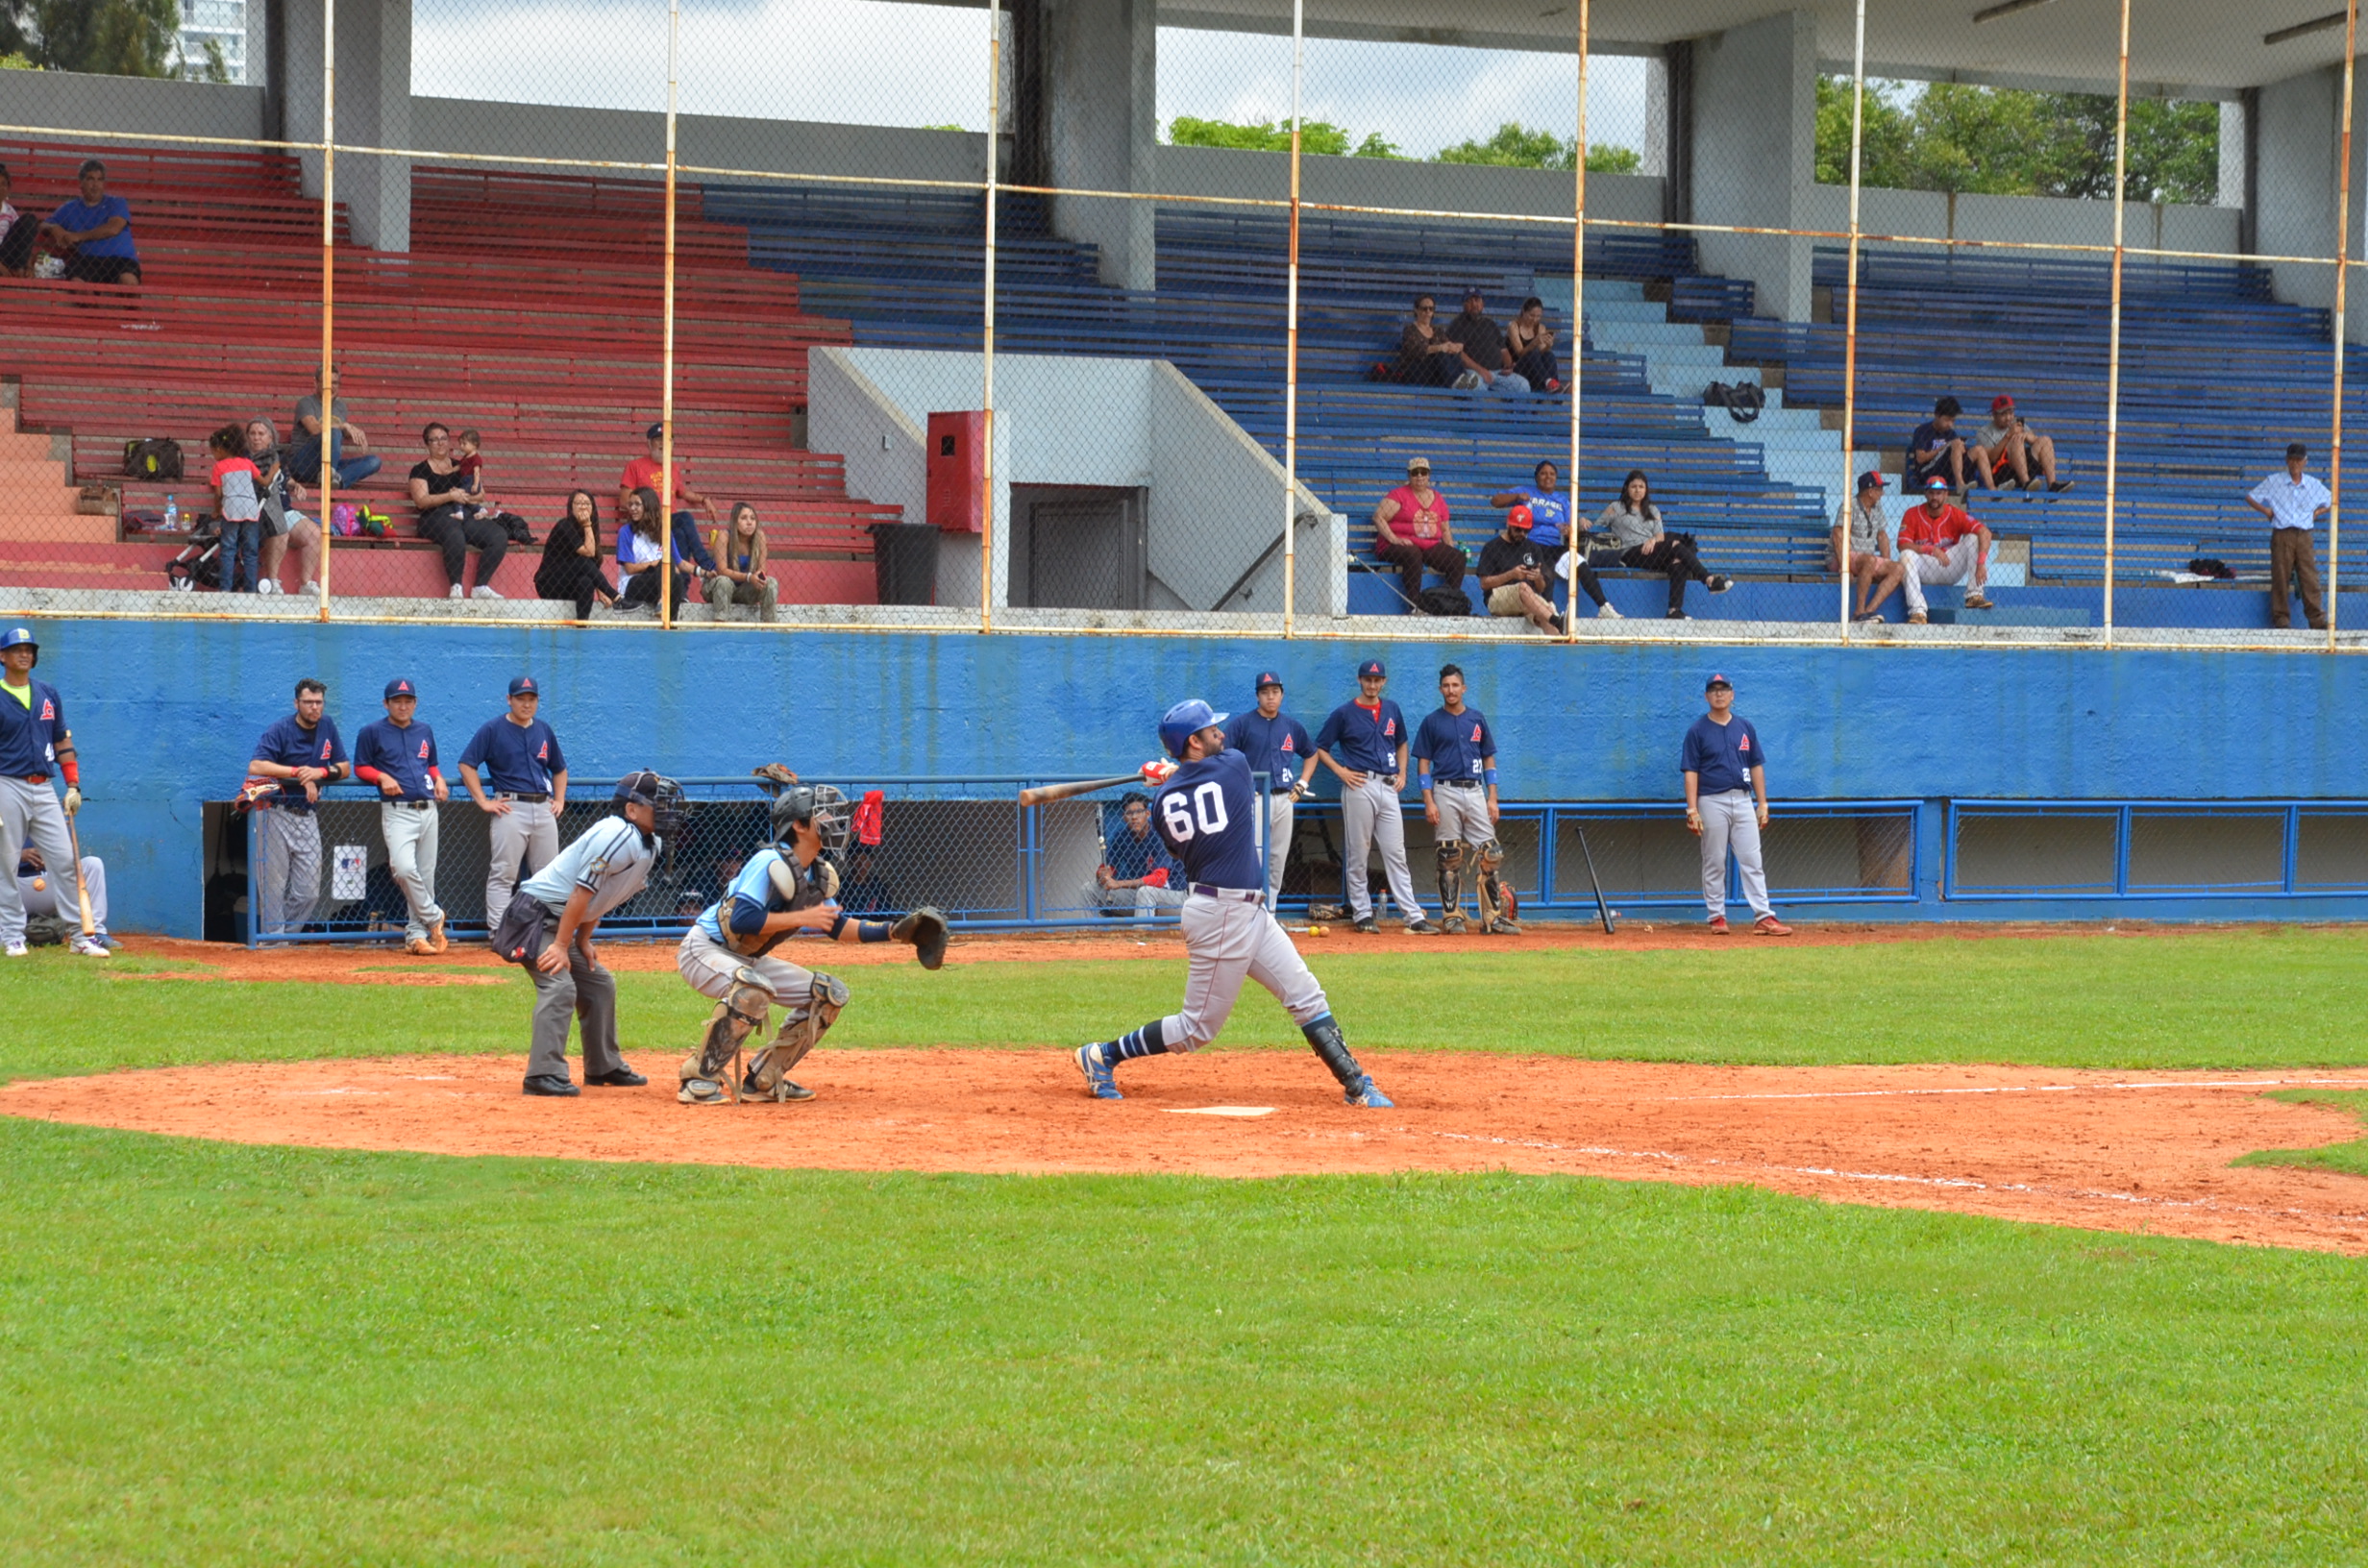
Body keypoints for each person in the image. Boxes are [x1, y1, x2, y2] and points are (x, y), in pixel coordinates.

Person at [1073, 699, 1394, 1108]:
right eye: (1211, 730)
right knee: (1196, 1030)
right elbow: (1210, 777)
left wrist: (1173, 777)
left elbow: (1178, 839)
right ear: (1193, 741)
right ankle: (1102, 1055)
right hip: (1222, 914)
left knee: (1306, 993)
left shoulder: (1162, 805)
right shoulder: (1235, 766)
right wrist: (1176, 773)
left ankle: (1356, 1084)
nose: (1220, 734)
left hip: (1245, 910)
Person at [674, 783, 948, 1106]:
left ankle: (764, 1076)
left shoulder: (817, 872)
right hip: (705, 949)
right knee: (753, 989)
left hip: (746, 959)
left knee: (828, 994)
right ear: (800, 826)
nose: (834, 820)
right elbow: (742, 921)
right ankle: (699, 1077)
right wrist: (804, 916)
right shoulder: (768, 861)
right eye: (823, 814)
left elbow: (836, 925)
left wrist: (894, 932)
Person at [496, 771, 680, 1098]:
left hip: (559, 921)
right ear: (632, 809)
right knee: (559, 984)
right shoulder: (617, 835)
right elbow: (581, 892)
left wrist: (582, 941)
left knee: (599, 984)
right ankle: (542, 1074)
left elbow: (603, 895)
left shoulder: (649, 844)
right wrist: (562, 945)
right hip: (533, 917)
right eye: (659, 804)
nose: (667, 811)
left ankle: (603, 1066)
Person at [0, 626, 105, 959]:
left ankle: (80, 936)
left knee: (64, 860)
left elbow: (61, 740)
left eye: (29, 649)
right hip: (6, 784)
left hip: (43, 787)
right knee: (5, 863)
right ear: (2, 656)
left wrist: (73, 784)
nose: (25, 654)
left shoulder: (47, 693)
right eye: (17, 649)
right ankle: (12, 935)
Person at [1314, 658, 1438, 936]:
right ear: (1360, 680)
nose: (1372, 684)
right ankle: (1362, 914)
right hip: (1359, 784)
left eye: (1377, 680)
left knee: (1396, 853)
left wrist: (1403, 772)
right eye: (1367, 679)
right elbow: (1320, 747)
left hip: (1388, 785)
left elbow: (1402, 742)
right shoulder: (1345, 713)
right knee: (1359, 852)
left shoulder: (1391, 709)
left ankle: (1413, 916)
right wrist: (1341, 772)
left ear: (1384, 682)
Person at [1683, 674, 1790, 937]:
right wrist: (1692, 808)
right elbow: (1690, 770)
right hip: (1711, 800)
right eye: (1713, 690)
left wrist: (1762, 803)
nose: (1718, 694)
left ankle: (1763, 916)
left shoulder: (1745, 727)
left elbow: (1756, 765)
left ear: (1732, 694)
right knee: (1715, 860)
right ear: (1706, 696)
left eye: (1723, 689)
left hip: (1743, 799)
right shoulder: (1697, 730)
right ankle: (1717, 917)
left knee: (1752, 859)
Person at [457, 675, 567, 930]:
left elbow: (559, 769)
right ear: (509, 700)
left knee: (549, 875)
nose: (526, 704)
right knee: (504, 873)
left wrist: (560, 799)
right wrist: (483, 801)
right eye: (520, 698)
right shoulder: (493, 729)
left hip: (543, 806)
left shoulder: (543, 729)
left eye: (531, 699)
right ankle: (498, 932)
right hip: (510, 806)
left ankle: (546, 930)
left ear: (537, 701)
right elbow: (466, 764)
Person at [1415, 665, 1517, 936]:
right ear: (1440, 689)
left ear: (1464, 688)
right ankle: (1451, 916)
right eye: (1446, 686)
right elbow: (1423, 764)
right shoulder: (1432, 722)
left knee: (1492, 853)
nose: (1451, 690)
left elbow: (1488, 759)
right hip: (1445, 789)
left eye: (1455, 685)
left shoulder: (1477, 719)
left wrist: (1492, 796)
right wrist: (1429, 800)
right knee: (1448, 855)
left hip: (1474, 790)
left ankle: (1492, 917)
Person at [352, 677, 449, 957]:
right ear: (386, 704)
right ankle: (433, 916)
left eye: (408, 701)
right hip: (398, 812)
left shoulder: (424, 730)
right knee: (404, 869)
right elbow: (360, 767)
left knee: (426, 876)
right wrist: (381, 776)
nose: (403, 705)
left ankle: (416, 937)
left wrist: (439, 779)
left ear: (415, 703)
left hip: (428, 809)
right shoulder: (372, 731)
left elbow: (429, 764)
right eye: (397, 701)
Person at [247, 677, 349, 938]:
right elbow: (256, 766)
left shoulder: (327, 726)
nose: (315, 708)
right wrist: (298, 773)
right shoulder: (281, 728)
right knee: (273, 885)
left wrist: (318, 773)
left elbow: (345, 768)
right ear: (296, 703)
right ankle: (273, 943)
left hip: (307, 815)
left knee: (309, 891)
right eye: (308, 702)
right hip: (276, 812)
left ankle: (284, 938)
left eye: (319, 702)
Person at [1583, 470, 1733, 620]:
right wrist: (1581, 521)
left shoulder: (1653, 510)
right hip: (1629, 552)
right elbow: (1597, 527)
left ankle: (1673, 611)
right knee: (1676, 545)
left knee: (1678, 561)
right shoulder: (1616, 507)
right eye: (1633, 486)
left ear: (1646, 489)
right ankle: (1709, 580)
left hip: (1652, 550)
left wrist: (1652, 540)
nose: (1637, 490)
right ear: (1627, 488)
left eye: (1641, 487)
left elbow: (1660, 536)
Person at [1222, 671, 1316, 907]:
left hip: (1286, 798)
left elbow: (1311, 754)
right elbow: (1223, 756)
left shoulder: (1291, 726)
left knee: (1277, 859)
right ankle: (1250, 911)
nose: (1270, 697)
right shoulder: (1243, 724)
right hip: (1255, 799)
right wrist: (1241, 785)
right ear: (1257, 696)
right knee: (1254, 857)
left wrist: (1303, 783)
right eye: (1265, 693)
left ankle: (1269, 912)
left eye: (1275, 692)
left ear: (1282, 695)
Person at [407, 423, 506, 600]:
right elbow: (421, 501)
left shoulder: (463, 465)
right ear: (427, 444)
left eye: (443, 438)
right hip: (434, 516)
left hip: (463, 513)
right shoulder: (420, 469)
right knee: (454, 533)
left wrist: (465, 497)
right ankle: (456, 587)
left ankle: (480, 586)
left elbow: (480, 495)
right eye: (434, 440)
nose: (440, 443)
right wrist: (450, 496)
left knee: (498, 535)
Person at [2249, 442, 2331, 632]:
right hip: (2282, 533)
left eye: (2298, 460)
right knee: (2280, 577)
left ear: (2305, 461)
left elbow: (2332, 500)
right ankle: (2281, 619)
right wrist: (2267, 511)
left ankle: (2317, 620)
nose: (2295, 463)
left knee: (2309, 577)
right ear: (2287, 460)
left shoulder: (2312, 484)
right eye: (2292, 459)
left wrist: (2316, 513)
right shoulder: (2274, 481)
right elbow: (2251, 497)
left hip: (2304, 535)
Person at [1896, 476, 1998, 625]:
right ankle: (1918, 612)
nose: (1934, 497)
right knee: (1906, 555)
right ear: (1925, 494)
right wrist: (1929, 549)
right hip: (1925, 567)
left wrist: (1981, 563)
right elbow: (1902, 544)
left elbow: (1985, 532)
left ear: (1946, 495)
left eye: (1939, 493)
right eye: (1931, 493)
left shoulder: (1954, 513)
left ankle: (1974, 595)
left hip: (1950, 566)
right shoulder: (1912, 513)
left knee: (1973, 538)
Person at [618, 423, 723, 558]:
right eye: (658, 440)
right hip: (647, 520)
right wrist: (648, 511)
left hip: (669, 521)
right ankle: (704, 561)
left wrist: (704, 500)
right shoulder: (635, 466)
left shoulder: (673, 467)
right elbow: (624, 501)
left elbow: (682, 491)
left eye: (667, 440)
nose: (663, 444)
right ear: (649, 444)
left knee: (679, 534)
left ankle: (682, 578)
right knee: (685, 518)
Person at [1372, 456, 1466, 608]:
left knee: (1457, 559)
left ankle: (1449, 604)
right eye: (1415, 473)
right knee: (1413, 553)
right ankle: (1414, 605)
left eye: (1423, 472)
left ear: (1429, 475)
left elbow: (1444, 528)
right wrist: (1394, 539)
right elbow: (1378, 517)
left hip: (1427, 544)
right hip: (1395, 545)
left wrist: (1449, 548)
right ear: (1409, 475)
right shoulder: (1399, 495)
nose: (1420, 476)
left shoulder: (1438, 498)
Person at [246, 417, 322, 599]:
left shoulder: (277, 458)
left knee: (315, 534)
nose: (256, 438)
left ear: (271, 438)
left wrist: (295, 485)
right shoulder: (245, 460)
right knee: (280, 531)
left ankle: (306, 583)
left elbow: (284, 477)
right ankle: (273, 581)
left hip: (285, 509)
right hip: (262, 512)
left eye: (261, 434)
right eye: (252, 434)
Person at [37, 159, 139, 286]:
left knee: (129, 281)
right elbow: (43, 225)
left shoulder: (116, 202)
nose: (95, 185)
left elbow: (113, 228)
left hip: (120, 260)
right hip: (88, 261)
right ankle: (90, 305)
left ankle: (131, 306)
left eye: (100, 180)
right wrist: (53, 228)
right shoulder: (70, 208)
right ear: (81, 183)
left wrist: (78, 236)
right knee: (76, 282)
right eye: (91, 179)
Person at [1474, 505, 1564, 634]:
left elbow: (1540, 588)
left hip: (1528, 599)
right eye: (1518, 529)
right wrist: (1511, 574)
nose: (1521, 534)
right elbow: (1484, 584)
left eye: (1526, 530)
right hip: (1497, 598)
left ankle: (1557, 647)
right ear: (1508, 524)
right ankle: (1556, 620)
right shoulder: (1491, 547)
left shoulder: (1533, 548)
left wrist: (1537, 577)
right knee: (1523, 587)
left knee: (1545, 614)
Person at [288, 367, 382, 490]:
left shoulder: (340, 406)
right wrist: (342, 426)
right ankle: (329, 475)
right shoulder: (306, 403)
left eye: (335, 383)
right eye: (327, 382)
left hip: (329, 464)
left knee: (374, 461)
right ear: (316, 383)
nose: (331, 387)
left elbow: (342, 431)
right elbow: (315, 429)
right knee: (333, 431)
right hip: (304, 464)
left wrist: (352, 430)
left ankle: (337, 479)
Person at [1832, 471, 1906, 624]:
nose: (1882, 493)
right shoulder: (1849, 505)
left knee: (1898, 568)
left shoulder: (1876, 507)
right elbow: (1837, 534)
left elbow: (1882, 535)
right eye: (1879, 489)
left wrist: (1886, 562)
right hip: (1843, 556)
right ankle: (1858, 613)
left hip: (1865, 559)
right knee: (1870, 561)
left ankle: (1869, 611)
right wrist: (1843, 566)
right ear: (1870, 491)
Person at [1097, 791, 1184, 916]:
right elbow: (1109, 868)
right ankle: (1083, 932)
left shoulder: (1161, 834)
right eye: (1129, 813)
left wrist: (1118, 884)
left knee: (1145, 892)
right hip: (1140, 896)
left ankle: (1143, 933)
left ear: (1147, 813)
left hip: (1174, 897)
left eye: (1139, 812)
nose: (1134, 817)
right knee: (1089, 889)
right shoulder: (1121, 837)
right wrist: (1102, 875)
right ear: (1123, 816)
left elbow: (1159, 879)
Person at [535, 490, 619, 620]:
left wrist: (599, 590)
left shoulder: (591, 530)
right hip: (549, 584)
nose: (583, 507)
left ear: (593, 508)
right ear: (571, 507)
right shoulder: (564, 526)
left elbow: (592, 562)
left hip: (570, 586)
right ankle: (617, 597)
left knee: (586, 582)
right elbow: (588, 553)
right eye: (578, 503)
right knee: (581, 561)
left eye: (587, 503)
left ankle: (582, 626)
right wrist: (587, 524)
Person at [614, 487, 693, 618]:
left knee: (677, 580)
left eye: (637, 504)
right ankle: (663, 602)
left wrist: (702, 572)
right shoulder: (625, 532)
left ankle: (669, 625)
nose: (632, 508)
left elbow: (679, 564)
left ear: (649, 506)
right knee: (666, 565)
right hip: (632, 584)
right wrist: (657, 564)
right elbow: (630, 569)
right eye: (630, 504)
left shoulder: (664, 533)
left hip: (657, 581)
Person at [206, 424, 265, 596]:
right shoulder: (247, 463)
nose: (214, 456)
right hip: (250, 509)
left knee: (228, 549)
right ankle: (250, 589)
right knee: (250, 551)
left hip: (231, 510)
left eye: (213, 452)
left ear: (220, 449)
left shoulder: (219, 467)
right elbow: (262, 481)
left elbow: (219, 495)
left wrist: (216, 512)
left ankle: (225, 588)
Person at [15, 844, 110, 949]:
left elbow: (67, 861)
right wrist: (18, 855)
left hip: (51, 884)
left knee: (92, 864)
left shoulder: (53, 827)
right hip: (15, 887)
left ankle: (95, 934)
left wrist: (53, 860)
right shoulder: (7, 827)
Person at [1973, 396, 2071, 493]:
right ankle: (2026, 483)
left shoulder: (2017, 424)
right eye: (2003, 414)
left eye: (2011, 413)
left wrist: (2029, 437)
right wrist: (2008, 436)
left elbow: (2037, 443)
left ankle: (2052, 484)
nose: (2008, 418)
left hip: (2024, 466)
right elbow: (1992, 458)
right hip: (2003, 474)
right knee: (2016, 441)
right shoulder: (1984, 432)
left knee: (2045, 440)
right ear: (1994, 415)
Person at [1443, 288, 1527, 394]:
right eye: (1470, 301)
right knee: (1476, 386)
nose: (1474, 304)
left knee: (1523, 385)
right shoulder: (1457, 324)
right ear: (1464, 305)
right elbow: (1459, 354)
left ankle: (1514, 411)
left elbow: (1504, 351)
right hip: (1473, 372)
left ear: (1483, 304)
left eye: (1477, 300)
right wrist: (1482, 371)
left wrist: (1508, 366)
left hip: (1497, 373)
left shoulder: (1490, 324)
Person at [705, 501, 778, 621]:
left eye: (753, 518)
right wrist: (749, 577)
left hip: (745, 590)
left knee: (771, 583)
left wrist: (758, 578)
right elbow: (722, 570)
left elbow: (762, 568)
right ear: (735, 522)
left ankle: (769, 627)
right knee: (723, 581)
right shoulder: (724, 536)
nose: (749, 522)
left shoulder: (759, 536)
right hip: (719, 589)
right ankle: (720, 625)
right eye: (744, 518)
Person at [1906, 396, 1978, 494]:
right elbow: (1920, 458)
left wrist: (1960, 448)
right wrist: (1944, 448)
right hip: (1928, 472)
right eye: (1947, 420)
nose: (1950, 424)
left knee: (1978, 450)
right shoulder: (1922, 431)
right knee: (1955, 443)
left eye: (1952, 421)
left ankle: (1992, 489)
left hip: (1949, 472)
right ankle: (1960, 484)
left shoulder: (1951, 433)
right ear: (1937, 415)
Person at [1394, 294, 1468, 386]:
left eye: (1431, 309)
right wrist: (1439, 347)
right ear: (1416, 310)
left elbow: (1447, 344)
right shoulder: (1409, 330)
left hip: (1436, 372)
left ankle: (1462, 381)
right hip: (1416, 370)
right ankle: (1458, 383)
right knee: (1440, 353)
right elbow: (1418, 350)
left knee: (1453, 355)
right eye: (1424, 308)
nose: (1428, 311)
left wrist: (1455, 347)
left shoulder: (1437, 331)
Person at [1503, 297, 1562, 392]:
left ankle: (1554, 384)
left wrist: (1548, 346)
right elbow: (1520, 353)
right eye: (1531, 315)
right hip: (1517, 369)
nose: (1534, 319)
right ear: (1523, 312)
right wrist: (1534, 342)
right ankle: (1548, 381)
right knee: (1532, 353)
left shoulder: (1541, 327)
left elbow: (1542, 352)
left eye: (1538, 316)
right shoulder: (1514, 326)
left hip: (1535, 371)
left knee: (1549, 355)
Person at [0, 163, 40, 277]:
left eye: (4, 184)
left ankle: (20, 268)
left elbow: (23, 239)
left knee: (29, 220)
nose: (1, 188)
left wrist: (28, 266)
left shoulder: (9, 211)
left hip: (5, 253)